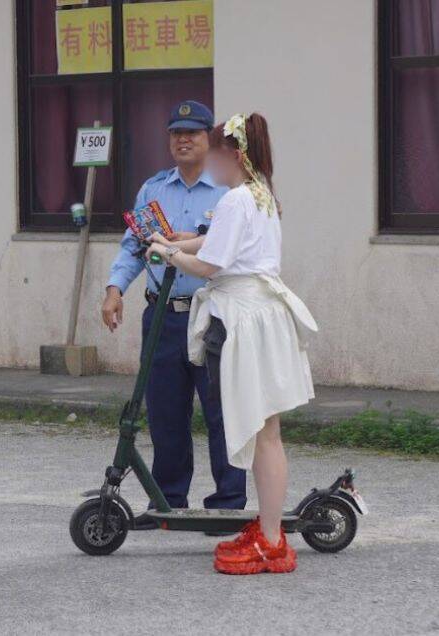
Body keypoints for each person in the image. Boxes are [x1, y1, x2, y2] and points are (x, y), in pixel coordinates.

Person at [147, 112, 318, 574]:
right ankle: (268, 531)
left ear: (232, 155)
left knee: (262, 434)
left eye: (216, 157)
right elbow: (223, 245)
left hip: (245, 319)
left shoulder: (234, 200)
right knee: (267, 432)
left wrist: (168, 251)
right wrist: (187, 240)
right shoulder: (260, 192)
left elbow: (212, 265)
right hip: (264, 316)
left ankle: (270, 540)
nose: (210, 167)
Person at [101, 100, 246, 526]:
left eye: (193, 133)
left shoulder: (229, 192)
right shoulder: (153, 189)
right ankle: (168, 500)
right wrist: (114, 291)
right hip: (163, 315)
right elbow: (133, 246)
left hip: (214, 314)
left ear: (209, 140)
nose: (183, 140)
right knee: (165, 411)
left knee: (221, 410)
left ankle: (228, 503)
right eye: (176, 133)